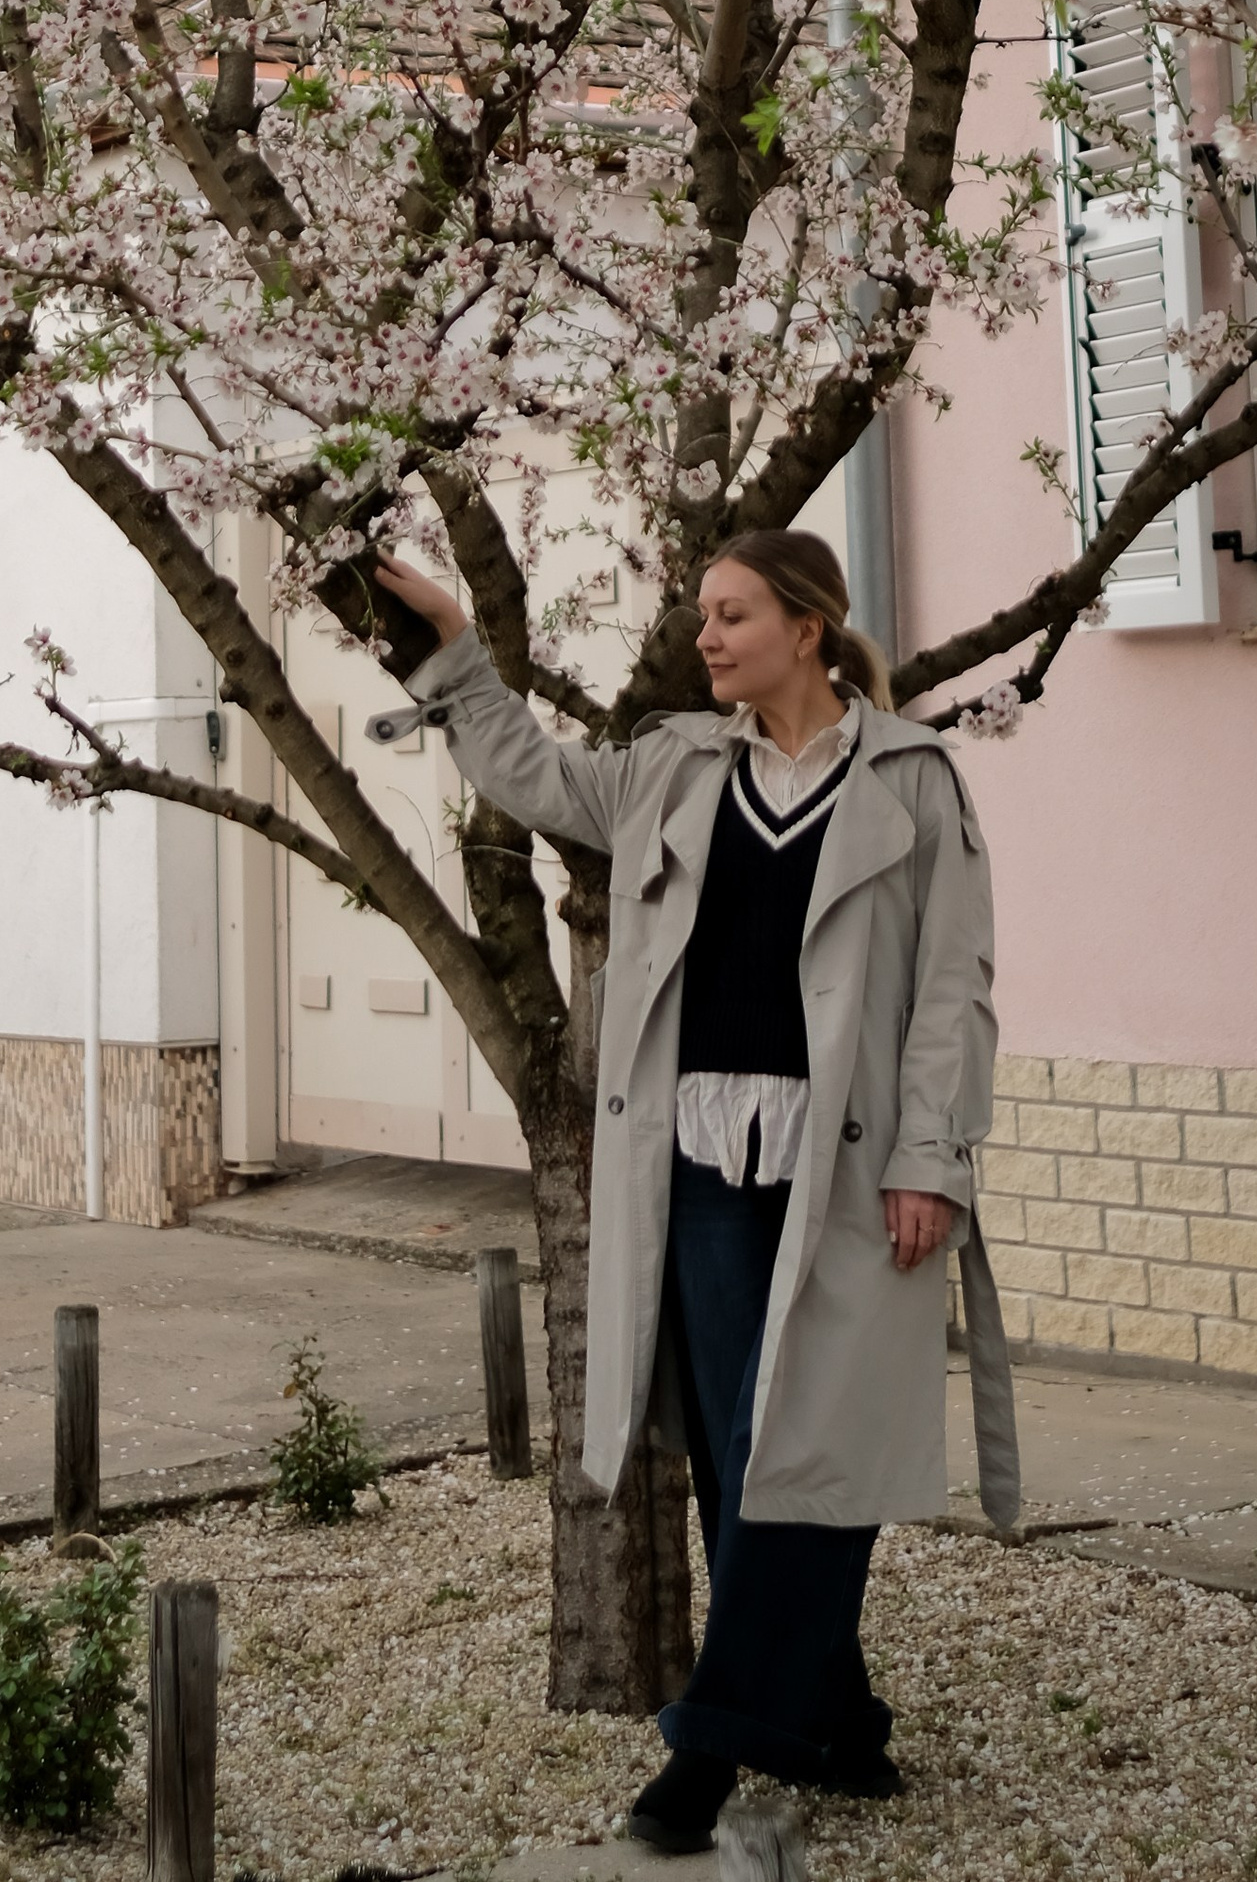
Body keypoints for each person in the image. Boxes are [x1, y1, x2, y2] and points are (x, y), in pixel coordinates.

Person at [373, 528, 1019, 1856]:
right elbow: (531, 773)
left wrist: (930, 1160)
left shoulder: (914, 781)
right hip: (706, 1171)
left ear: (810, 627)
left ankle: (714, 1752)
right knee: (743, 1460)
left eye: (731, 617)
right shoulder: (673, 765)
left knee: (813, 1458)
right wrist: (450, 649)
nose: (706, 638)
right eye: (703, 616)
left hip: (849, 1176)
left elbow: (953, 987)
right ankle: (837, 1723)